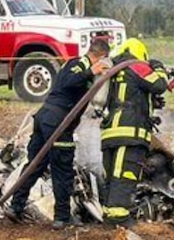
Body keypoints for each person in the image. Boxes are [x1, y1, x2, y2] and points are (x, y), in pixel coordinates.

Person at [6, 37, 112, 229]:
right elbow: (67, 82)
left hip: (45, 119)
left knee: (35, 165)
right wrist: (91, 71)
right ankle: (62, 217)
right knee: (62, 169)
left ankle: (15, 207)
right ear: (101, 57)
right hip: (57, 123)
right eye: (104, 61)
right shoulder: (80, 65)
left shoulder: (79, 66)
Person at [98, 38, 169, 225]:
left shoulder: (115, 70)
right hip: (130, 133)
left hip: (111, 132)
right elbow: (160, 84)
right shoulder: (136, 66)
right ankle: (119, 219)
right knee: (125, 175)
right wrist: (158, 67)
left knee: (112, 176)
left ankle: (109, 215)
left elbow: (129, 95)